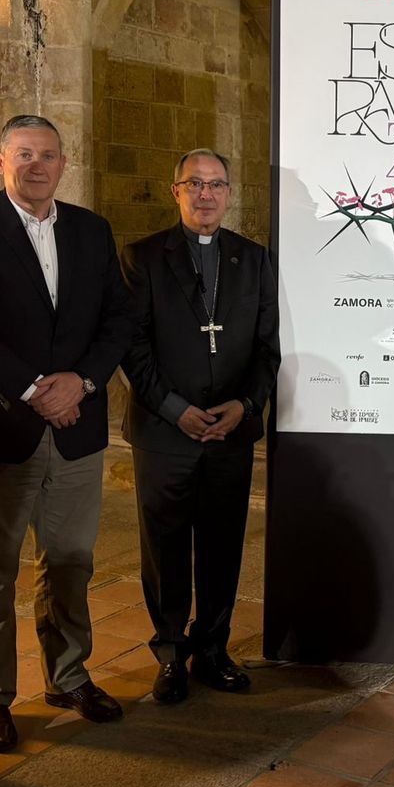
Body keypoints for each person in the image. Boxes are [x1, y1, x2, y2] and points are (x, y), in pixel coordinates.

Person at [0, 115, 136, 753]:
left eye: (47, 155)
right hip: (2, 425)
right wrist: (33, 390)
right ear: (0, 160)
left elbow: (119, 318)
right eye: (23, 154)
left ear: (63, 162)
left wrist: (81, 381)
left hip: (78, 427)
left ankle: (68, 676)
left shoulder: (91, 229)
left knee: (72, 563)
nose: (36, 166)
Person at [121, 149, 279, 705]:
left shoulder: (254, 259)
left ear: (229, 194)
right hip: (166, 432)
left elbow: (267, 348)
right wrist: (172, 408)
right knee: (164, 547)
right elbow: (132, 345)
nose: (206, 194)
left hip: (229, 430)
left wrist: (245, 404)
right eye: (195, 184)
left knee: (222, 544)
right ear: (176, 191)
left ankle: (213, 648)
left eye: (216, 185)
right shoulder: (142, 257)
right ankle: (170, 652)